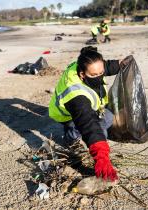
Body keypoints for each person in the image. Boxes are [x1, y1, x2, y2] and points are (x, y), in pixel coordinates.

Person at [49, 46, 127, 182]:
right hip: (67, 114)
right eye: (93, 75)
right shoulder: (76, 96)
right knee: (82, 127)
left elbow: (105, 67)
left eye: (100, 73)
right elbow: (88, 123)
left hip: (89, 107)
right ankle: (70, 138)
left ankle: (86, 135)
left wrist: (119, 64)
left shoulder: (86, 65)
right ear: (82, 74)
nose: (99, 77)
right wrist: (101, 156)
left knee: (108, 117)